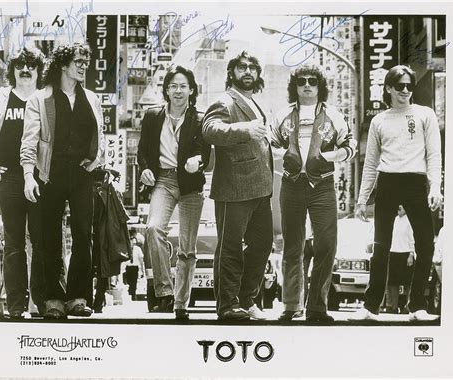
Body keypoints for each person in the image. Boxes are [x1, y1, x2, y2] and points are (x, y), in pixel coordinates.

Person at [21, 42, 105, 319]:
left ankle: (78, 298)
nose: (84, 66)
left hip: (81, 175)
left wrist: (94, 160)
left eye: (86, 61)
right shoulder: (39, 99)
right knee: (49, 238)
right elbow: (29, 140)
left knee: (84, 234)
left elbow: (100, 136)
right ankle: (53, 300)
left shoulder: (91, 98)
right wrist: (28, 176)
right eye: (78, 61)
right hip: (49, 175)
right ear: (63, 64)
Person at [350, 65, 441, 322]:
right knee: (381, 247)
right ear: (388, 88)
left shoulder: (425, 115)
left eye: (409, 86)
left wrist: (435, 187)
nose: (405, 90)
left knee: (425, 245)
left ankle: (417, 306)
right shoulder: (379, 120)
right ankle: (370, 307)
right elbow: (370, 163)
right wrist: (361, 200)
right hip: (388, 181)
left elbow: (434, 154)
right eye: (399, 85)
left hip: (416, 181)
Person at [270, 64, 357, 322]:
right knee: (292, 245)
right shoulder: (283, 114)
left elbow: (349, 144)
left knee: (326, 243)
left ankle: (317, 306)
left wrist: (329, 155)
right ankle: (291, 305)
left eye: (312, 81)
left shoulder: (334, 115)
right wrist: (286, 154)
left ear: (320, 86)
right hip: (292, 183)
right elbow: (271, 144)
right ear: (294, 86)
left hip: (323, 185)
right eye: (301, 81)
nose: (306, 85)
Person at [202, 51, 273, 321]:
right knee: (230, 248)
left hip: (261, 189)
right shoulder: (224, 101)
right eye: (241, 67)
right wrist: (245, 129)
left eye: (252, 68)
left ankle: (247, 299)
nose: (247, 72)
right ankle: (227, 304)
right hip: (234, 187)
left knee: (263, 245)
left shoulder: (254, 103)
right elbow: (209, 130)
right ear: (231, 73)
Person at [137, 65, 210, 320]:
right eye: (173, 86)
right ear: (166, 90)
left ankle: (181, 303)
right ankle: (165, 291)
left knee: (188, 249)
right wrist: (145, 169)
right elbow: (142, 152)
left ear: (191, 90)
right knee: (153, 229)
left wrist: (197, 161)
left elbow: (207, 155)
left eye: (183, 86)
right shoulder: (152, 116)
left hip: (191, 185)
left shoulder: (200, 119)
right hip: (164, 181)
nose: (178, 91)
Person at [0, 47, 45, 319]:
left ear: (39, 70)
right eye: (20, 65)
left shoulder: (45, 99)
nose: (26, 69)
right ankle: (16, 305)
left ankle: (41, 302)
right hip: (8, 177)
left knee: (40, 240)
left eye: (31, 65)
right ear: (12, 70)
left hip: (39, 178)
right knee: (14, 242)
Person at [384, 205, 415, 314]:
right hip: (393, 253)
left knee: (407, 282)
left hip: (406, 253)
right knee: (392, 282)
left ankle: (407, 306)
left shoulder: (410, 220)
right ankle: (392, 306)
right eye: (397, 206)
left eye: (401, 206)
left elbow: (412, 238)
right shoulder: (394, 219)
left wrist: (411, 254)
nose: (399, 208)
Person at [122, 231, 146, 301]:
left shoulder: (138, 249)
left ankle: (133, 295)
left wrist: (142, 270)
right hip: (128, 267)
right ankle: (129, 295)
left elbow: (141, 260)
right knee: (128, 282)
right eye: (132, 241)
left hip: (135, 267)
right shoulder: (126, 248)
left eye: (134, 241)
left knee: (134, 282)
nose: (133, 242)